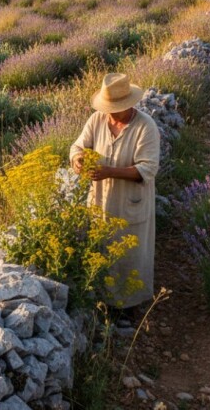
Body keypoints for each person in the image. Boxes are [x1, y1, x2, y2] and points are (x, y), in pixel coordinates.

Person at [70, 73, 160, 310]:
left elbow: (147, 168)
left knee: (131, 253)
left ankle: (130, 306)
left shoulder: (145, 127)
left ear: (129, 104)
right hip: (100, 200)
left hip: (130, 202)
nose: (111, 112)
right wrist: (78, 158)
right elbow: (78, 145)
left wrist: (110, 171)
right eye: (108, 107)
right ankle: (102, 303)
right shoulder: (97, 120)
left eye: (116, 108)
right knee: (101, 250)